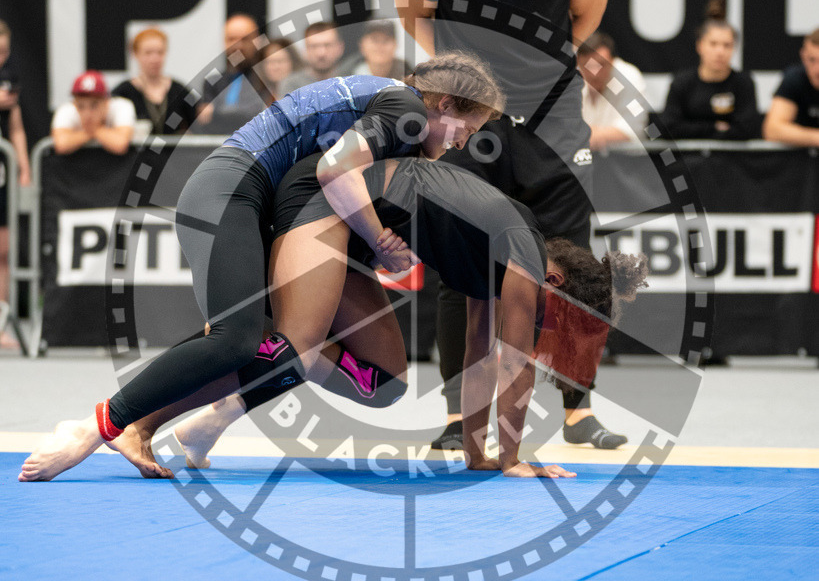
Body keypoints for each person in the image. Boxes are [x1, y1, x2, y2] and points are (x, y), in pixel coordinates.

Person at [22, 151, 647, 482]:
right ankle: (108, 424)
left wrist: (483, 454)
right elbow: (514, 360)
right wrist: (512, 460)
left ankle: (186, 417)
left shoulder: (501, 258)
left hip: (348, 229)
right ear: (555, 280)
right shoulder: (526, 255)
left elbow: (480, 363)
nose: (543, 331)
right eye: (552, 318)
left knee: (381, 381)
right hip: (317, 201)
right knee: (277, 341)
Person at [20, 55, 503, 481]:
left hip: (265, 200)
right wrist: (379, 238)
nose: (463, 143)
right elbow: (333, 170)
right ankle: (97, 425)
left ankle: (199, 416)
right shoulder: (407, 108)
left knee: (380, 381)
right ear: (444, 105)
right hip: (231, 184)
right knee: (238, 337)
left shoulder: (395, 110)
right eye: (469, 128)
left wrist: (374, 244)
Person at [394, 0, 621, 451]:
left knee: (574, 268)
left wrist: (533, 74)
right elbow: (411, 6)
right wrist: (458, 81)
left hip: (551, 119)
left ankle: (577, 410)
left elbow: (585, 14)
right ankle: (452, 416)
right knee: (457, 268)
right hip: (469, 126)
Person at [661, 4, 761, 141]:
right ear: (700, 46)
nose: (720, 52)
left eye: (727, 45)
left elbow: (748, 129)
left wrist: (692, 128)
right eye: (713, 44)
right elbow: (668, 128)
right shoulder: (682, 82)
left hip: (731, 161)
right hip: (690, 160)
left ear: (734, 49)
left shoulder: (743, 83)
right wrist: (713, 127)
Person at [0, 19, 31, 349]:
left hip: (2, 175)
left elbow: (17, 127)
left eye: (5, 52)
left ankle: (1, 321)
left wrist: (24, 167)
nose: (1, 58)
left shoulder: (9, 79)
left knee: (3, 251)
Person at [112, 27, 197, 134]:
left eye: (160, 52)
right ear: (135, 54)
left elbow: (197, 127)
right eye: (148, 53)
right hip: (136, 151)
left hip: (172, 151)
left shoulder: (180, 92)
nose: (154, 59)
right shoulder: (123, 93)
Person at [198, 14, 269, 135]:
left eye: (245, 39)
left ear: (257, 41)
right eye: (231, 39)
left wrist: (216, 112)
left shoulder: (266, 79)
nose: (237, 45)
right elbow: (205, 124)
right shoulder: (213, 82)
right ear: (223, 42)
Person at [577, 32, 649, 148]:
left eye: (601, 64)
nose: (594, 73)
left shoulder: (629, 77)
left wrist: (590, 135)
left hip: (625, 159)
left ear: (612, 61)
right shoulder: (571, 79)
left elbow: (633, 128)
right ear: (578, 64)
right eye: (588, 65)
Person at [51, 71, 135, 156]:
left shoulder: (121, 106)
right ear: (74, 103)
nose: (87, 113)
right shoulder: (67, 110)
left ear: (106, 102)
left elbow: (120, 144)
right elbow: (61, 145)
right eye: (81, 106)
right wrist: (94, 131)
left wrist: (95, 130)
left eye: (94, 105)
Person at [762, 28, 819, 147]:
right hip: (804, 163)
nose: (817, 70)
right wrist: (815, 138)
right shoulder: (795, 78)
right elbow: (772, 130)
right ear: (803, 56)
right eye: (812, 60)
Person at [280, 22, 350, 95]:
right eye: (314, 46)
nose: (321, 53)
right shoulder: (292, 85)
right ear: (305, 50)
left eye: (327, 45)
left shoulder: (352, 80)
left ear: (340, 48)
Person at [255, 37, 303, 104]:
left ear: (293, 63)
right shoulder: (263, 97)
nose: (276, 67)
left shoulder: (302, 96)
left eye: (281, 61)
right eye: (270, 62)